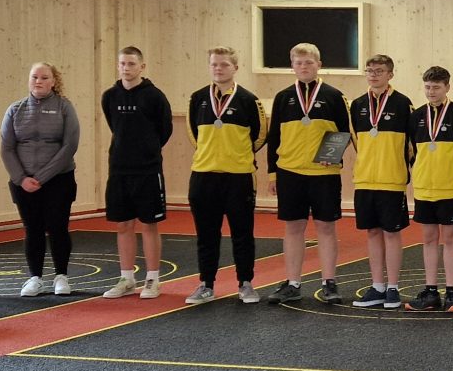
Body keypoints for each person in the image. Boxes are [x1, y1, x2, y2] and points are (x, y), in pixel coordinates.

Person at [265, 42, 348, 306]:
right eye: (298, 63)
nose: (303, 67)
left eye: (309, 62)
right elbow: (273, 137)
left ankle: (329, 282)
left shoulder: (334, 96)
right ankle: (293, 283)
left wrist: (331, 157)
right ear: (292, 66)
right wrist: (272, 174)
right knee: (293, 228)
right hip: (290, 172)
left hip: (324, 173)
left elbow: (344, 132)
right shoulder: (283, 97)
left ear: (319, 65)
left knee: (326, 227)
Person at [187, 46, 267, 304]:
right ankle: (206, 284)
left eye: (224, 64)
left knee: (242, 234)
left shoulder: (249, 100)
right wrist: (210, 155)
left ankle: (245, 284)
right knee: (206, 234)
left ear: (235, 68)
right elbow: (193, 133)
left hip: (238, 177)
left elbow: (260, 135)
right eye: (214, 64)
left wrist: (237, 155)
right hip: (204, 175)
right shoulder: (198, 98)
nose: (218, 69)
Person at [0, 62, 82, 297]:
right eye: (34, 77)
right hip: (24, 183)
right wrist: (21, 178)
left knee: (58, 227)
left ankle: (61, 276)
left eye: (44, 77)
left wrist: (41, 177)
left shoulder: (64, 107)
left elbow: (69, 145)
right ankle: (35, 278)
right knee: (33, 229)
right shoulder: (15, 109)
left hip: (59, 180)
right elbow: (7, 148)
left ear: (53, 81)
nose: (39, 81)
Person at [100, 46, 173, 300]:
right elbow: (115, 126)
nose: (126, 68)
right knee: (123, 224)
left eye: (131, 64)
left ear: (142, 67)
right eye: (122, 63)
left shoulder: (155, 96)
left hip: (147, 170)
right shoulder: (110, 96)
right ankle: (127, 279)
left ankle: (152, 279)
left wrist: (146, 149)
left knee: (149, 224)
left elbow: (164, 130)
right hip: (119, 169)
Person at [407, 65, 453, 313]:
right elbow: (410, 151)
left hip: (450, 189)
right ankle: (430, 292)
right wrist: (419, 175)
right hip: (424, 189)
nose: (431, 91)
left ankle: (451, 293)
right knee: (428, 239)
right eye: (427, 87)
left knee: (449, 239)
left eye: (436, 87)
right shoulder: (416, 116)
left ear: (447, 87)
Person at [348, 54, 415, 309]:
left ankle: (393, 288)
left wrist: (400, 167)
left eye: (379, 70)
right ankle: (377, 286)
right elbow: (356, 140)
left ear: (390, 74)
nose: (374, 75)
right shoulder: (357, 105)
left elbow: (412, 143)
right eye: (370, 70)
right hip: (365, 179)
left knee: (391, 233)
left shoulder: (403, 104)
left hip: (392, 179)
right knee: (372, 232)